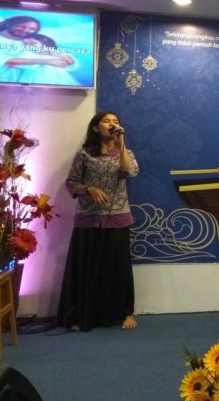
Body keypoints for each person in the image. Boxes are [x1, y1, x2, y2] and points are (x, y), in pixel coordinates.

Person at [58, 111, 140, 331]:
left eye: (115, 121)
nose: (112, 124)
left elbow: (129, 172)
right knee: (86, 267)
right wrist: (89, 189)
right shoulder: (85, 154)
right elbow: (71, 183)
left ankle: (125, 313)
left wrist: (121, 144)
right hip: (88, 218)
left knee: (118, 268)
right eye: (106, 121)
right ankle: (81, 315)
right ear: (95, 127)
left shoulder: (125, 152)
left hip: (118, 218)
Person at [0, 16, 76, 85]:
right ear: (9, 24)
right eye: (21, 26)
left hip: (41, 83)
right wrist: (48, 61)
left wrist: (50, 53)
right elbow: (7, 61)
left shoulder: (32, 40)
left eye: (32, 29)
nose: (26, 30)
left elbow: (70, 62)